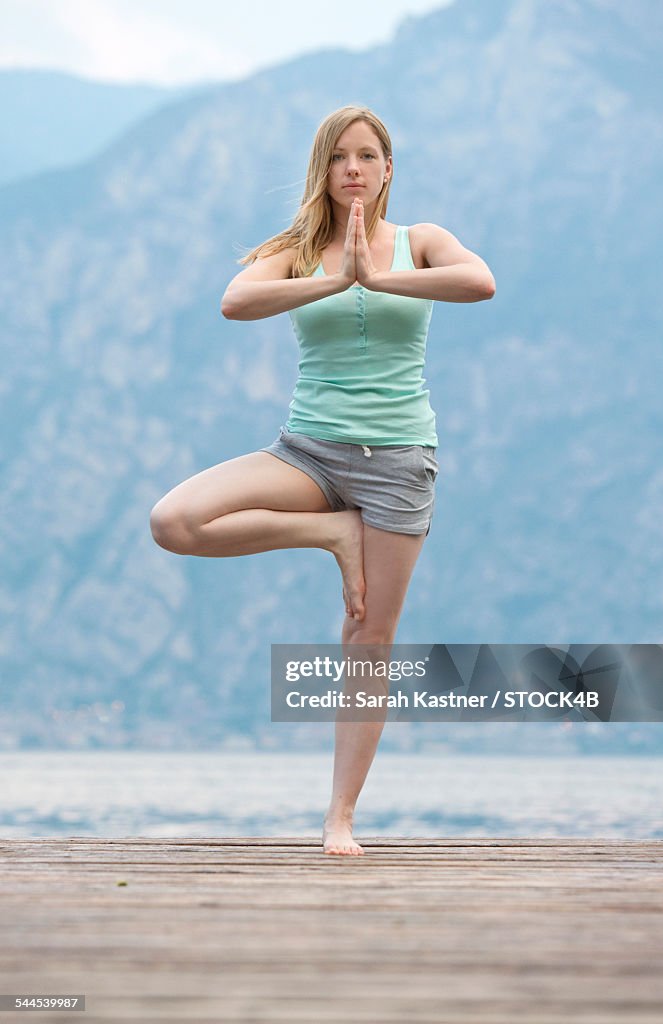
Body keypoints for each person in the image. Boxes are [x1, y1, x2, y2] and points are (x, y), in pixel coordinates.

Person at [149, 105, 495, 856]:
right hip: (305, 454)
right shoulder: (296, 250)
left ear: (388, 169)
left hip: (398, 462)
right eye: (340, 156)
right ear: (322, 168)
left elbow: (480, 283)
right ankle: (329, 532)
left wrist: (383, 278)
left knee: (366, 641)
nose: (354, 168)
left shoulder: (420, 241)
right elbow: (235, 300)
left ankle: (339, 819)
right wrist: (338, 279)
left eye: (368, 155)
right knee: (174, 521)